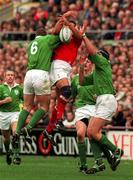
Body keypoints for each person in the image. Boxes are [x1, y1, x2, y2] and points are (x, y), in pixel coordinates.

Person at [12, 17, 64, 155]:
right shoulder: (47, 39)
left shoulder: (30, 44)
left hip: (28, 75)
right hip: (41, 74)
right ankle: (28, 128)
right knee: (44, 107)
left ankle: (17, 131)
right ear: (44, 34)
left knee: (27, 106)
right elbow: (59, 36)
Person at [81, 34, 124, 174]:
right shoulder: (97, 72)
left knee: (93, 131)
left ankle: (116, 151)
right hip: (103, 100)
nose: (96, 56)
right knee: (90, 133)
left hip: (106, 100)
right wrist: (81, 69)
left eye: (99, 54)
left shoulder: (104, 63)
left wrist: (84, 36)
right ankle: (100, 162)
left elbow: (92, 52)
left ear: (103, 57)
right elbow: (82, 82)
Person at [43, 12, 84, 144]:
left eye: (72, 26)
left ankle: (48, 130)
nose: (68, 28)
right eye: (67, 26)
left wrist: (70, 25)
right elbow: (55, 30)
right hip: (57, 64)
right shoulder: (60, 37)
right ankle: (59, 120)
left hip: (67, 68)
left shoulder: (76, 39)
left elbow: (79, 35)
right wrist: (63, 19)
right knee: (67, 91)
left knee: (62, 100)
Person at [0, 69, 23, 165]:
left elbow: (24, 100)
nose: (10, 77)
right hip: (3, 114)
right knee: (6, 139)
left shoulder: (19, 88)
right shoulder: (1, 88)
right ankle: (8, 151)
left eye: (12, 75)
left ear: (14, 77)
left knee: (16, 133)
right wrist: (4, 101)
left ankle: (16, 156)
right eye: (8, 75)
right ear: (5, 77)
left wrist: (24, 106)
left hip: (15, 113)